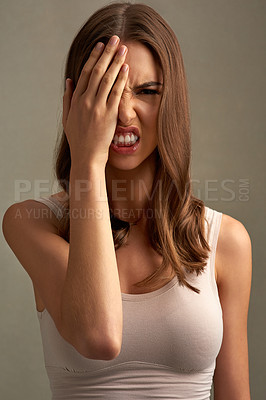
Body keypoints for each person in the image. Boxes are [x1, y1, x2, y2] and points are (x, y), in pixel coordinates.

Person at [2, 2, 252, 399]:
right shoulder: (31, 221)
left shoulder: (227, 241)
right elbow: (98, 336)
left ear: (172, 102)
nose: (124, 112)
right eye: (107, 90)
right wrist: (86, 158)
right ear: (75, 103)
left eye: (146, 91)